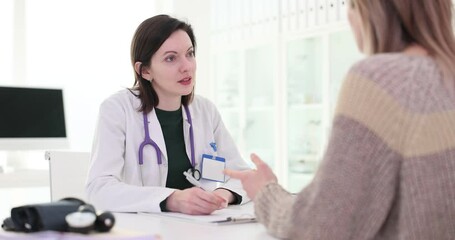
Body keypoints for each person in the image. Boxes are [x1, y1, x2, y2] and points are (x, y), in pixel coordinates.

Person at [225, 0, 455, 239]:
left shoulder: (381, 79)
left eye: (351, 5)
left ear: (369, 11)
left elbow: (319, 227)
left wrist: (265, 191)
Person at [86, 14, 251, 215]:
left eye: (189, 54)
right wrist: (171, 199)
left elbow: (242, 175)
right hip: (142, 230)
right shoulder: (117, 110)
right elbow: (99, 190)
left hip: (201, 227)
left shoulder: (205, 111)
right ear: (145, 70)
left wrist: (223, 195)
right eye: (171, 58)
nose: (187, 66)